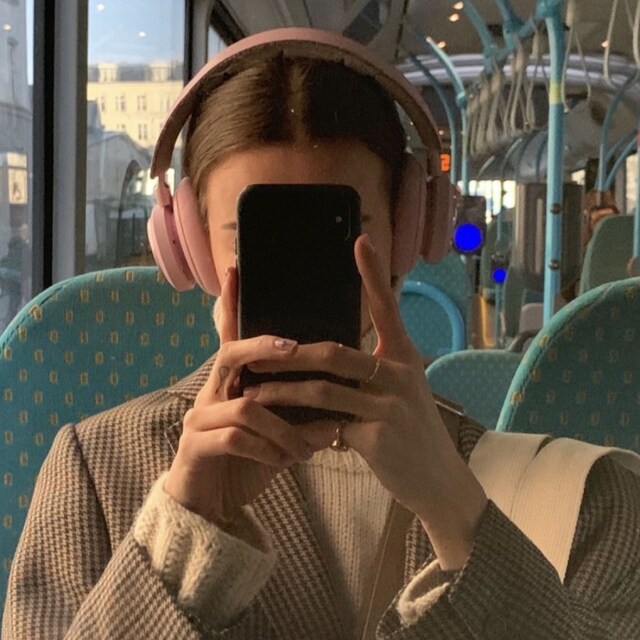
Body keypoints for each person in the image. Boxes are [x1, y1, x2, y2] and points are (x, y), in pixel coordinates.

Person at [4, 29, 640, 640]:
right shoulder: (96, 469)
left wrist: (457, 511)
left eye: (338, 230)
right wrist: (181, 540)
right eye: (258, 236)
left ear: (408, 229)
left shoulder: (588, 503)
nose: (301, 265)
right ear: (192, 246)